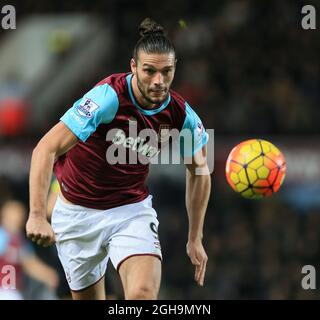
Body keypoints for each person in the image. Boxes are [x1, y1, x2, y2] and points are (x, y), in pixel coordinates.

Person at [26, 18, 211, 300]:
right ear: (134, 67)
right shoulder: (108, 97)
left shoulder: (181, 115)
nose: (158, 81)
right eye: (149, 71)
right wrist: (38, 215)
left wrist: (195, 237)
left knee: (142, 294)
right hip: (76, 214)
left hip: (130, 211)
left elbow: (199, 171)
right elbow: (46, 148)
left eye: (166, 71)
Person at [0, 200, 59, 299]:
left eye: (19, 216)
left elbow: (29, 262)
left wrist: (48, 275)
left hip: (12, 291)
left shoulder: (19, 240)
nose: (17, 219)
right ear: (4, 216)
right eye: (13, 216)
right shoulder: (2, 235)